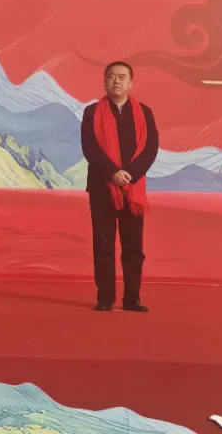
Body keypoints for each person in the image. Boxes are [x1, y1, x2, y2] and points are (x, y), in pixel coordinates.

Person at [81, 61, 159, 312]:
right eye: (111, 76)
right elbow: (90, 148)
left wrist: (131, 174)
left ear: (131, 83)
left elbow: (151, 148)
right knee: (103, 245)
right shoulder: (92, 112)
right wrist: (113, 173)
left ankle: (132, 298)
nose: (116, 81)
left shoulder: (144, 112)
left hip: (133, 189)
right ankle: (105, 298)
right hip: (102, 187)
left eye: (122, 77)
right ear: (104, 81)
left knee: (133, 247)